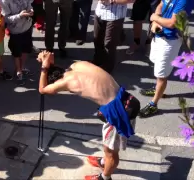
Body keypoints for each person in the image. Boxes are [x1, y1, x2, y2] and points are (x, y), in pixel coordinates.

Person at [37, 51, 140, 180]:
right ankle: (104, 163)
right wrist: (48, 62)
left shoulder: (66, 82)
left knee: (111, 153)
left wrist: (44, 68)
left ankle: (105, 177)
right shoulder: (78, 65)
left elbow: (42, 89)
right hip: (126, 98)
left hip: (118, 111)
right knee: (108, 148)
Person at [139, 0, 187, 117]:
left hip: (170, 41)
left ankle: (153, 105)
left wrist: (154, 17)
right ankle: (157, 89)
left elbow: (172, 23)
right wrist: (156, 21)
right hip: (159, 36)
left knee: (162, 75)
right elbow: (161, 5)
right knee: (157, 64)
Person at [92, 0, 134, 74]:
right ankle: (98, 60)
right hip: (99, 12)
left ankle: (107, 68)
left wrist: (112, 0)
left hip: (115, 16)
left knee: (109, 44)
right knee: (97, 39)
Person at [0, 0, 34, 85]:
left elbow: (29, 4)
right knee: (17, 53)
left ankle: (22, 68)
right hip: (15, 31)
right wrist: (20, 16)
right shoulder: (4, 1)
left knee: (26, 50)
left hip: (27, 27)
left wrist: (31, 10)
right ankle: (18, 71)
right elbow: (6, 18)